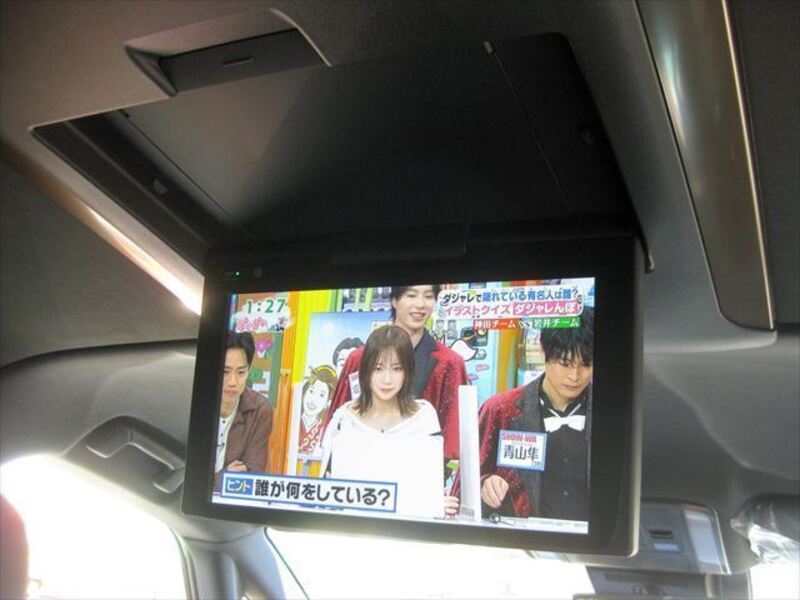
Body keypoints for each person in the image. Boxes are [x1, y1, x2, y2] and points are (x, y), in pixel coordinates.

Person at [320, 325, 458, 515]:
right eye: (378, 368)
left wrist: (435, 502)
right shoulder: (343, 419)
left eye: (396, 369)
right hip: (352, 526)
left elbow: (428, 485)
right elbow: (327, 489)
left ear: (408, 372)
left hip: (408, 527)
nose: (387, 379)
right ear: (365, 371)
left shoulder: (424, 416)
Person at [474, 308, 594, 521]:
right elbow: (466, 483)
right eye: (565, 364)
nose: (574, 376)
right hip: (520, 537)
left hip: (594, 539)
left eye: (586, 364)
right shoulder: (500, 409)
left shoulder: (613, 412)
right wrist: (485, 484)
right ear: (543, 352)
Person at [324, 285, 468, 462]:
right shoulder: (358, 358)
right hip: (357, 466)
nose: (421, 304)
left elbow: (454, 442)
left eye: (428, 296)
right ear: (394, 300)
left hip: (420, 469)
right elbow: (337, 428)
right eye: (411, 295)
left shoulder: (449, 363)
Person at [215, 332, 273, 491]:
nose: (232, 382)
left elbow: (251, 477)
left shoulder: (260, 410)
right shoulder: (194, 399)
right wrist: (223, 477)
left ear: (249, 371)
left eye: (240, 372)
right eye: (225, 372)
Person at [298, 365, 338, 457]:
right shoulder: (292, 419)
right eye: (311, 391)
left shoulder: (327, 427)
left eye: (321, 395)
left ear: (327, 401)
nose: (313, 400)